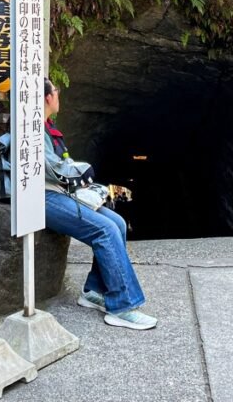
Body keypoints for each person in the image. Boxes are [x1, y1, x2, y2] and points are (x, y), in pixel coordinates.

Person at [41, 79, 157, 330]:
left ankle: (94, 290)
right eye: (56, 91)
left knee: (116, 222)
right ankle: (122, 306)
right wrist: (85, 172)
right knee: (105, 230)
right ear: (48, 98)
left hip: (58, 194)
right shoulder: (32, 129)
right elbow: (55, 169)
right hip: (42, 197)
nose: (58, 95)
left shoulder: (46, 126)